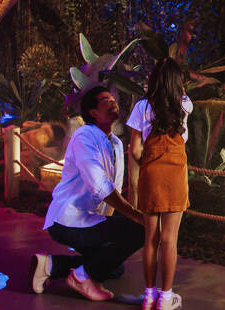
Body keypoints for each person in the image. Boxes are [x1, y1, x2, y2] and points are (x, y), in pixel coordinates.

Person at [30, 86, 145, 301]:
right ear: (93, 112)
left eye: (114, 99)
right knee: (140, 230)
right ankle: (81, 277)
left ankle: (51, 265)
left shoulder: (117, 144)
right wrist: (136, 216)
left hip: (90, 221)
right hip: (67, 220)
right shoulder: (84, 136)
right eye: (105, 100)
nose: (113, 102)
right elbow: (101, 187)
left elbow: (114, 191)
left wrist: (107, 234)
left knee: (113, 268)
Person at [127, 57, 193, 310]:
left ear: (153, 80)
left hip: (151, 176)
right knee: (170, 240)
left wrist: (148, 163)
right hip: (175, 176)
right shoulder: (185, 104)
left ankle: (149, 295)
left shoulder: (142, 107)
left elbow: (134, 150)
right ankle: (166, 298)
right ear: (178, 83)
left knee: (150, 239)